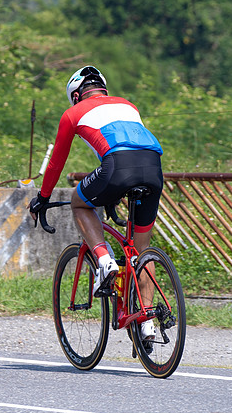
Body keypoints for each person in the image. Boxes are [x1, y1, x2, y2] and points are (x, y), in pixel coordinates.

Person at [28, 65, 165, 345]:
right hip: (153, 167)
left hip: (117, 166)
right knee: (142, 252)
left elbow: (56, 163)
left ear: (76, 95)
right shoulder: (128, 105)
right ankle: (148, 321)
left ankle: (104, 261)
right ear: (103, 89)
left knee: (80, 203)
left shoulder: (73, 113)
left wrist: (42, 197)